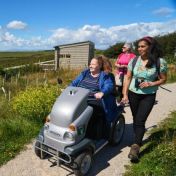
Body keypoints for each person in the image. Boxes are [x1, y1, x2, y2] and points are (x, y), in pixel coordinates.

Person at [121, 36, 167, 162]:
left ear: (150, 47)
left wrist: (150, 84)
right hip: (133, 93)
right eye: (139, 46)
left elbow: (163, 79)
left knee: (140, 120)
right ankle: (138, 137)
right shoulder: (134, 60)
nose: (139, 49)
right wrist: (124, 94)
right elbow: (128, 78)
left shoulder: (160, 62)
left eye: (143, 46)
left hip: (149, 95)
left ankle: (136, 147)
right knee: (136, 118)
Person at [70, 55, 118, 139]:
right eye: (90, 64)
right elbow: (75, 82)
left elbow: (109, 86)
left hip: (95, 100)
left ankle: (90, 136)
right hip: (80, 98)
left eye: (93, 64)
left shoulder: (105, 75)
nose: (90, 66)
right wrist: (68, 89)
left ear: (99, 66)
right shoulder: (85, 73)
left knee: (90, 114)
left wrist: (102, 92)